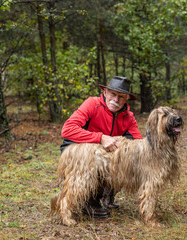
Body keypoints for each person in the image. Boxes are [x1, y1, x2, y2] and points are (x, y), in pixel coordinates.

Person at [60, 76, 142, 218]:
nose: (116, 100)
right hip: (77, 151)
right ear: (105, 91)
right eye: (113, 94)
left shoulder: (128, 117)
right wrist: (100, 138)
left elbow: (139, 145)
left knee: (128, 158)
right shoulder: (92, 104)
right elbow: (67, 130)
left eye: (121, 97)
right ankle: (89, 201)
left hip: (104, 155)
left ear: (127, 99)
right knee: (96, 159)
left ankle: (108, 193)